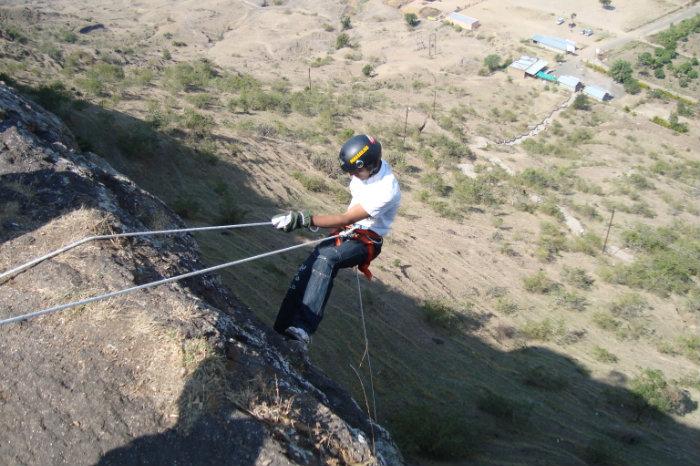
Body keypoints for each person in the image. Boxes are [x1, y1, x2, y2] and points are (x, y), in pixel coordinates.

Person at [271, 134, 401, 348]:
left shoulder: (386, 189)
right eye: (351, 172)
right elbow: (350, 211)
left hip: (368, 239)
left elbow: (348, 218)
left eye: (356, 171)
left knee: (326, 258)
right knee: (306, 271)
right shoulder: (364, 172)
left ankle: (303, 329)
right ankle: (280, 329)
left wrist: (306, 220)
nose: (354, 176)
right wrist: (329, 232)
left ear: (372, 164)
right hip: (349, 230)